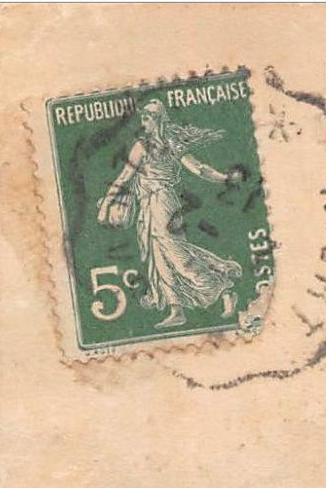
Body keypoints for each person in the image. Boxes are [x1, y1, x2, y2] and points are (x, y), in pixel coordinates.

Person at [98, 99, 243, 329]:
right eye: (143, 118)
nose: (143, 122)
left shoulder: (170, 144)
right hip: (147, 204)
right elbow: (125, 176)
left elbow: (198, 168)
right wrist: (108, 201)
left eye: (147, 117)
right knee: (158, 256)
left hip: (164, 202)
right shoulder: (141, 146)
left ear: (158, 120)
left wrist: (223, 178)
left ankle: (222, 287)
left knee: (176, 255)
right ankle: (176, 309)